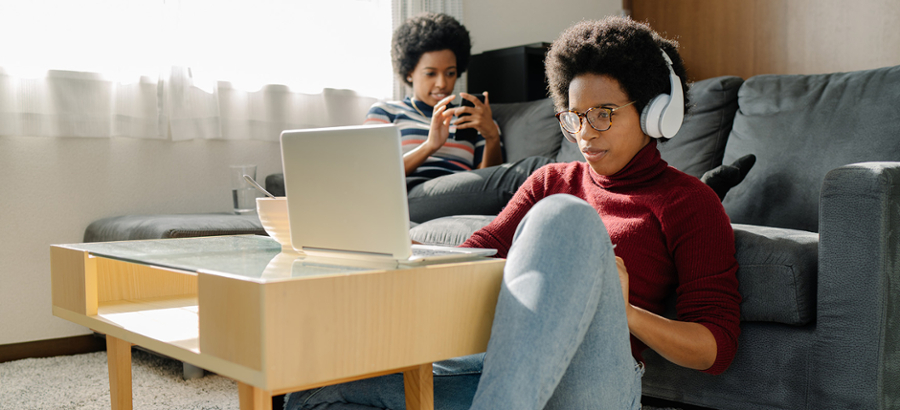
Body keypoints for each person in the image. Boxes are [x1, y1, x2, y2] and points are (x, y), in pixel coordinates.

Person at [285, 16, 741, 410]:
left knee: (565, 218)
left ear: (654, 113)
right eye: (573, 116)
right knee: (312, 392)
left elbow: (714, 350)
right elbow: (474, 256)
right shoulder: (550, 180)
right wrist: (406, 252)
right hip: (504, 370)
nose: (585, 134)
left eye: (603, 114)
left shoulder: (689, 201)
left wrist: (625, 313)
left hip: (593, 385)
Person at [364, 12, 554, 223]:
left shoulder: (471, 116)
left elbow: (487, 181)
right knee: (535, 170)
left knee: (539, 174)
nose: (442, 84)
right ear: (409, 72)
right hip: (408, 195)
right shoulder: (385, 112)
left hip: (462, 194)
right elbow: (373, 175)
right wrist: (429, 146)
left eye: (450, 73)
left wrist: (491, 136)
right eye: (430, 73)